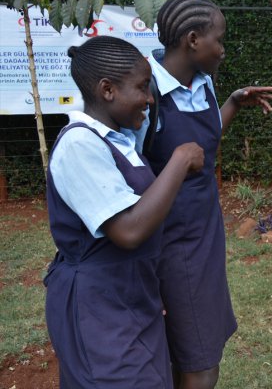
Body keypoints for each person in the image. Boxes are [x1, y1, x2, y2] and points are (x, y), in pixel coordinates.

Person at [44, 36, 204, 388]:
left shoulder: (121, 140)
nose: (149, 98)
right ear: (107, 90)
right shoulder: (79, 145)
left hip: (133, 297)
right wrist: (178, 161)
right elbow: (128, 230)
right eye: (142, 87)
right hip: (97, 308)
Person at [138, 0, 272, 389]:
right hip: (171, 246)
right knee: (200, 364)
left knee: (193, 346)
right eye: (219, 39)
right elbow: (128, 172)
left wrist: (233, 102)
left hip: (204, 235)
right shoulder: (144, 93)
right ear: (192, 39)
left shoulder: (203, 83)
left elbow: (202, 145)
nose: (223, 49)